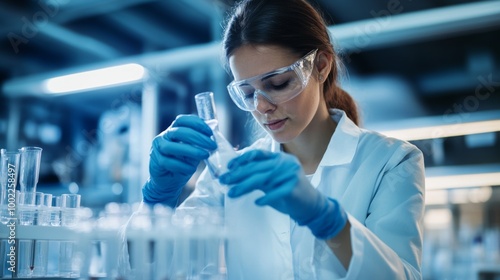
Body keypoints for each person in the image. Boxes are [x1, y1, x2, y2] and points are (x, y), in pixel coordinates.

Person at [142, 0, 425, 279]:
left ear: (321, 66)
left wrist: (330, 222)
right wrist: (157, 202)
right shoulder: (229, 175)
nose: (262, 107)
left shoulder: (390, 161)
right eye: (248, 93)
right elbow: (150, 267)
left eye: (277, 84)